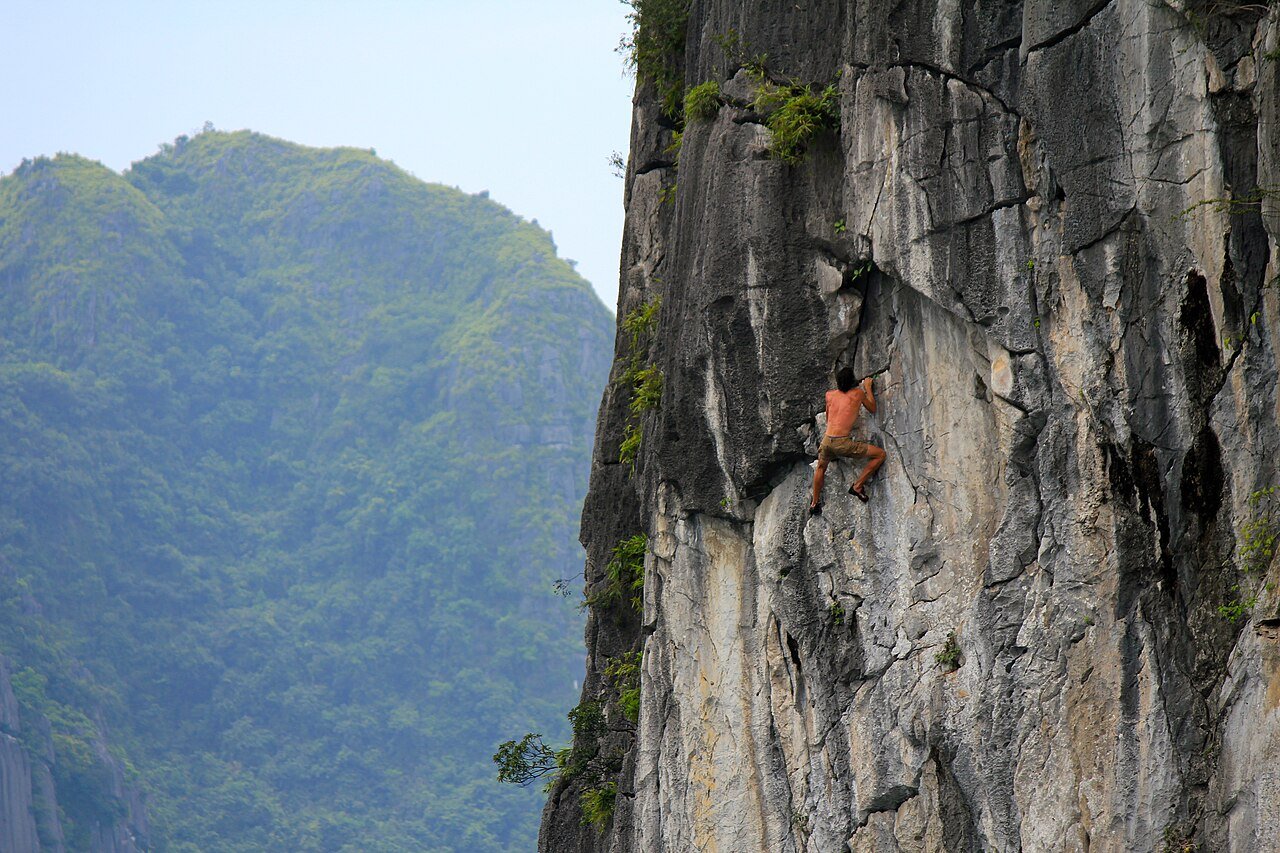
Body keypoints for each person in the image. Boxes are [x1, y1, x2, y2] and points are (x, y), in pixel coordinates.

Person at [809, 368, 886, 515]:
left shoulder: (829, 395)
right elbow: (873, 408)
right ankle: (857, 486)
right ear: (853, 380)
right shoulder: (858, 394)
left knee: (820, 467)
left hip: (827, 440)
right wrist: (868, 388)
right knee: (880, 455)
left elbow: (828, 417)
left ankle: (814, 503)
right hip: (842, 443)